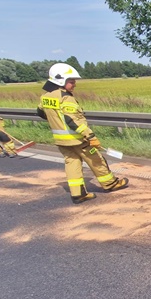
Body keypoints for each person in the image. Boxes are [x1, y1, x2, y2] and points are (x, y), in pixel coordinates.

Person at [36, 63, 128, 204]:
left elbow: (41, 113)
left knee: (72, 164)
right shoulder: (66, 98)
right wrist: (90, 136)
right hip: (78, 140)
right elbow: (73, 120)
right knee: (96, 160)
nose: (75, 84)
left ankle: (78, 194)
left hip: (61, 141)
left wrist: (57, 121)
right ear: (61, 80)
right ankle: (110, 184)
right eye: (71, 81)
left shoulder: (46, 97)